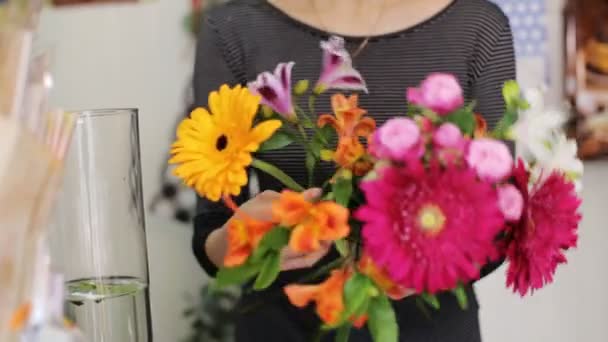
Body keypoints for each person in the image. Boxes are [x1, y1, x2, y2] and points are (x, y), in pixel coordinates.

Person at [191, 0, 516, 341]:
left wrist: (427, 263)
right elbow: (210, 230)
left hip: (431, 327)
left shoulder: (479, 25)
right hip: (281, 326)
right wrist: (241, 240)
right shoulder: (232, 27)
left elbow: (501, 220)